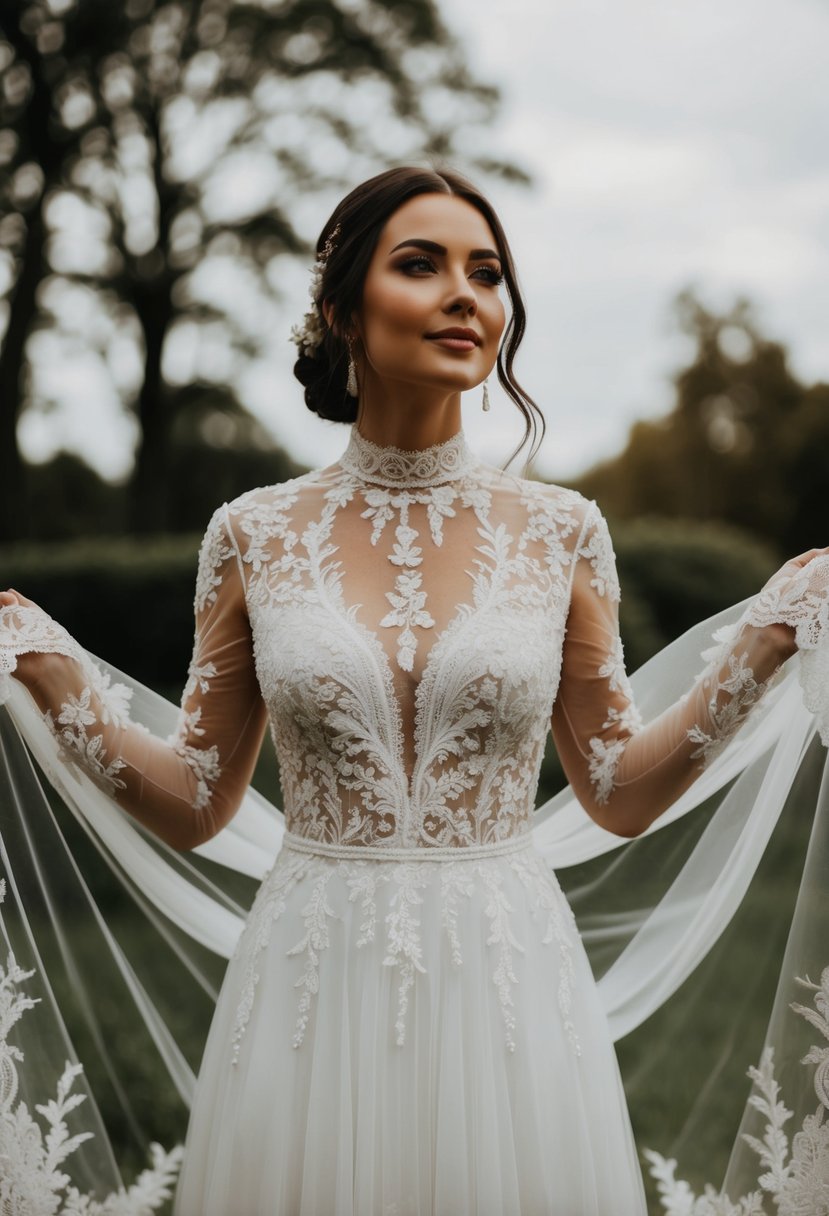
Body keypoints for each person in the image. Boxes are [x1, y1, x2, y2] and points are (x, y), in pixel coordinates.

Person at [1, 165, 829, 1214]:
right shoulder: (251, 535)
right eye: (420, 264)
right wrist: (40, 660)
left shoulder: (562, 532)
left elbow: (616, 786)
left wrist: (765, 638)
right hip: (309, 983)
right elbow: (199, 794)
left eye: (486, 273)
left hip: (506, 981)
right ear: (343, 309)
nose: (463, 294)